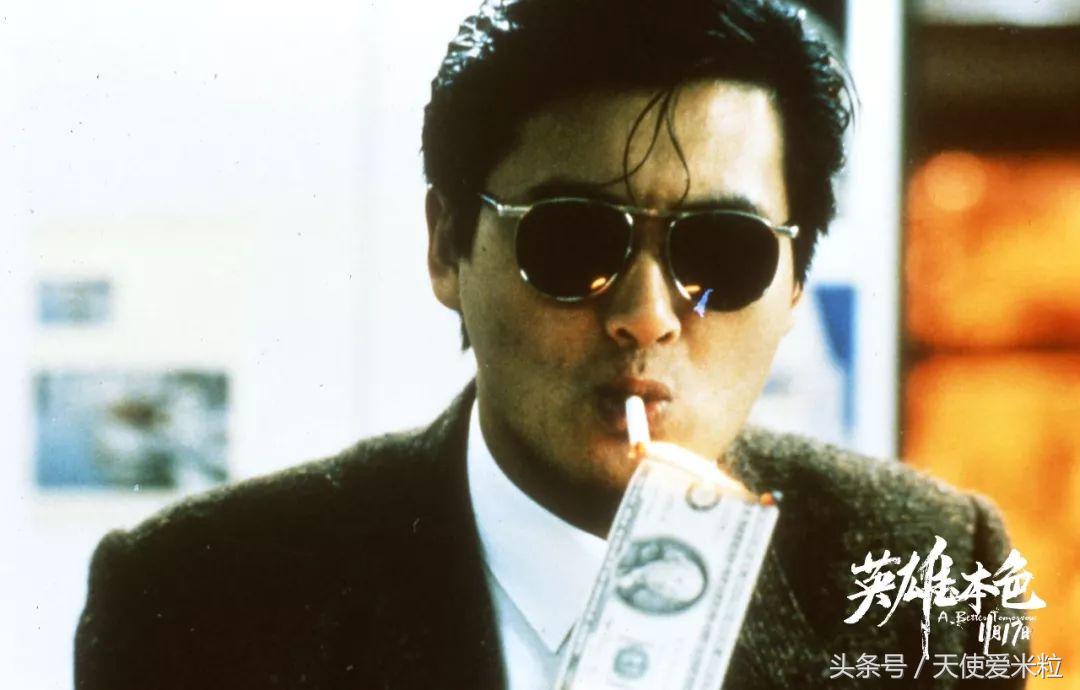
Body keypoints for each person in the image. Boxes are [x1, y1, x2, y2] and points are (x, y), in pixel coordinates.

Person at [75, 0, 1028, 688]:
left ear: (795, 284)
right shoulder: (198, 600)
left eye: (722, 252)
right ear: (447, 248)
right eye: (573, 242)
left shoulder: (936, 572)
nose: (647, 314)